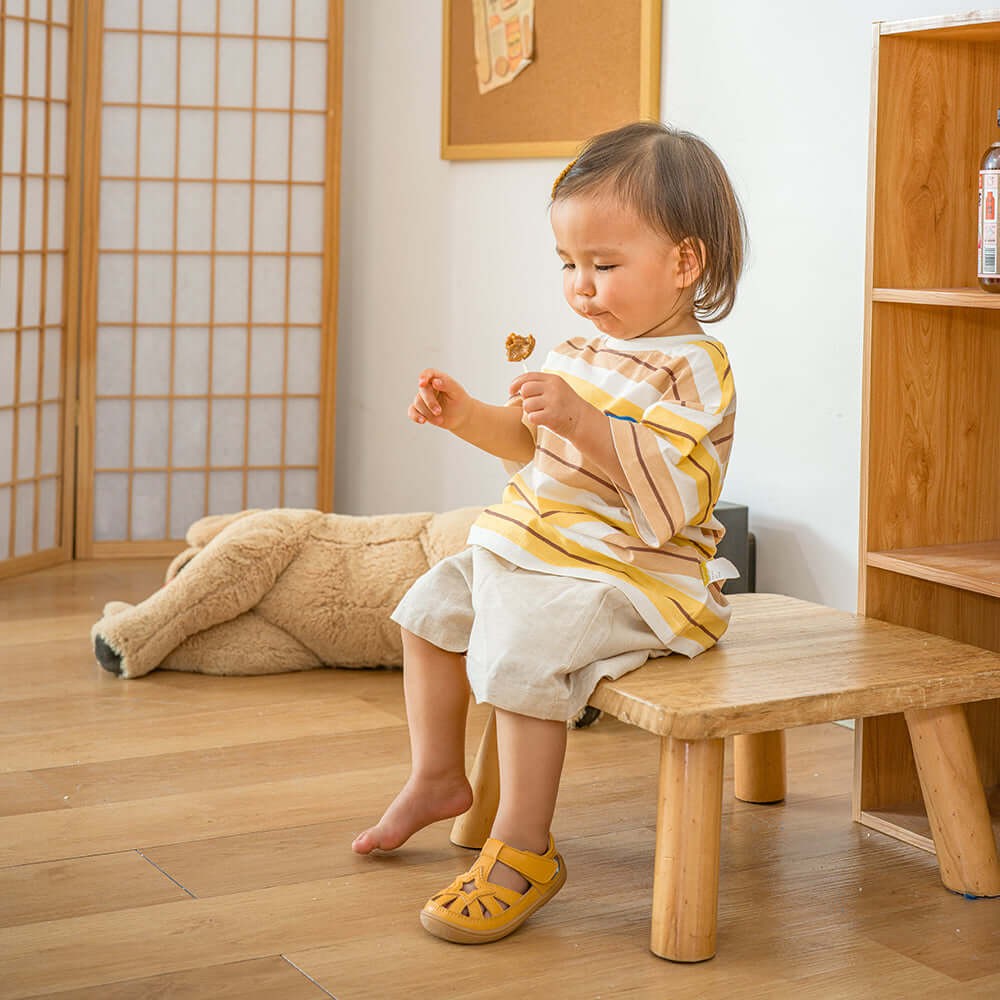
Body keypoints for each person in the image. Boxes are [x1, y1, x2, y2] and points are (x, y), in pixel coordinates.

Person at [352, 120, 748, 945]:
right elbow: (533, 448)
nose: (582, 286)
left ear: (684, 261)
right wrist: (468, 417)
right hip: (543, 550)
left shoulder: (693, 369)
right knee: (428, 608)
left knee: (521, 655)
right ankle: (435, 777)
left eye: (604, 266)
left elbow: (677, 491)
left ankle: (524, 847)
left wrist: (584, 419)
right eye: (569, 265)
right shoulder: (580, 349)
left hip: (634, 571)